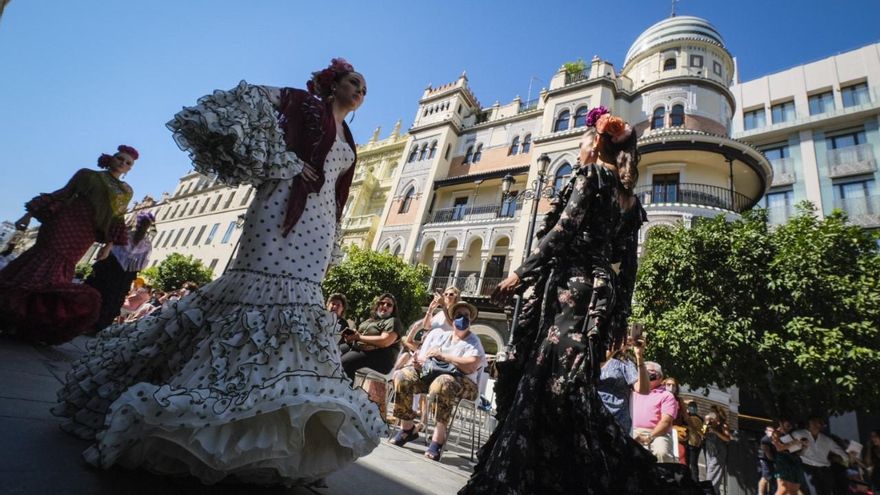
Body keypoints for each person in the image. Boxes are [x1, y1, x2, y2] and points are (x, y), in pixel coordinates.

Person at [53, 58, 385, 486]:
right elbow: (251, 98)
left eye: (364, 88)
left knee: (299, 309)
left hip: (318, 227)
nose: (360, 90)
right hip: (279, 207)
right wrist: (280, 159)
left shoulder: (350, 137)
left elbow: (335, 186)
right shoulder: (301, 103)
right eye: (354, 82)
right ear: (333, 82)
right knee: (250, 296)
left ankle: (270, 433)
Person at [461, 109, 700, 494]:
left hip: (570, 290)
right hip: (598, 300)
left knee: (545, 385)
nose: (579, 147)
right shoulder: (631, 202)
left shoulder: (591, 176)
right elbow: (629, 268)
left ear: (598, 142)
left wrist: (519, 274)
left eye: (584, 139)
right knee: (569, 389)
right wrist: (618, 317)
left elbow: (563, 231)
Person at [0, 145, 137, 344]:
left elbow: (117, 218)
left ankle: (30, 321)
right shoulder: (87, 175)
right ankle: (13, 313)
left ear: (130, 169)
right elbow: (63, 193)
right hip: (64, 222)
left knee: (62, 269)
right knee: (44, 258)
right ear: (111, 158)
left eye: (128, 163)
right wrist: (28, 214)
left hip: (86, 233)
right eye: (120, 158)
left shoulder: (126, 191)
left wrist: (108, 246)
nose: (123, 163)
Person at [390, 301, 485, 462]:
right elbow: (424, 358)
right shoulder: (439, 336)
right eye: (458, 315)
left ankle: (438, 438)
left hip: (465, 383)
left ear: (471, 320)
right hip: (432, 376)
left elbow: (471, 366)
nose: (462, 319)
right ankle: (407, 429)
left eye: (466, 316)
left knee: (443, 382)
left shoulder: (473, 342)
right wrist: (418, 363)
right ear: (452, 319)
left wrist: (444, 356)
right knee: (402, 376)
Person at [85, 212, 155, 332]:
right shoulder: (147, 244)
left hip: (110, 267)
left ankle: (83, 320)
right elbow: (143, 264)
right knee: (112, 300)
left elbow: (111, 249)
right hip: (126, 275)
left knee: (97, 292)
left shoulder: (126, 234)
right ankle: (98, 326)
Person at [598, 331, 649, 434]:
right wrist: (615, 348)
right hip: (593, 417)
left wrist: (639, 356)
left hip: (617, 422)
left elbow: (643, 390)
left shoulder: (624, 363)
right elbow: (593, 368)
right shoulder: (592, 358)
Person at [632, 361, 680, 463]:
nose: (648, 374)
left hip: (658, 434)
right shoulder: (634, 391)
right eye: (645, 371)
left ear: (660, 377)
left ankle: (662, 477)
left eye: (652, 372)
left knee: (661, 452)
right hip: (633, 430)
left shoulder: (667, 396)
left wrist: (650, 436)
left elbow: (666, 422)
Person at [793, 416, 849, 495]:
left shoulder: (826, 439)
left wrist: (847, 459)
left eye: (819, 423)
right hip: (807, 467)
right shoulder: (798, 434)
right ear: (809, 423)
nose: (817, 425)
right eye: (814, 422)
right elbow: (791, 450)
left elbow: (840, 452)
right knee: (812, 491)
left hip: (824, 470)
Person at [771, 417, 807, 495]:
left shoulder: (794, 433)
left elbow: (799, 453)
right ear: (781, 423)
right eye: (788, 425)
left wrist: (804, 447)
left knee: (793, 491)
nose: (789, 427)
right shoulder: (776, 433)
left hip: (795, 461)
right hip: (783, 461)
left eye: (790, 425)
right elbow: (779, 448)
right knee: (783, 489)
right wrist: (793, 443)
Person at [704, 411, 732, 494]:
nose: (710, 422)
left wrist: (715, 432)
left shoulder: (722, 426)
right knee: (713, 480)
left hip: (718, 455)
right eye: (709, 420)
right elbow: (703, 435)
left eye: (712, 420)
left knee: (711, 479)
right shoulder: (707, 426)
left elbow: (728, 439)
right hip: (710, 455)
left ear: (716, 419)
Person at [685, 400, 705, 482]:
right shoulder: (700, 418)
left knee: (690, 463)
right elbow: (703, 430)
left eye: (693, 407)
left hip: (690, 442)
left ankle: (692, 481)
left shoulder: (687, 417)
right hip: (697, 443)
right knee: (693, 464)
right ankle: (694, 481)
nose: (693, 409)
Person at [759, 425, 778, 495]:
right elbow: (768, 453)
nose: (771, 432)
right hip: (765, 461)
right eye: (769, 431)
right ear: (766, 432)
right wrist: (774, 460)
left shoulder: (774, 438)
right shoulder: (765, 439)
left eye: (772, 431)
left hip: (771, 460)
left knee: (771, 478)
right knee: (765, 477)